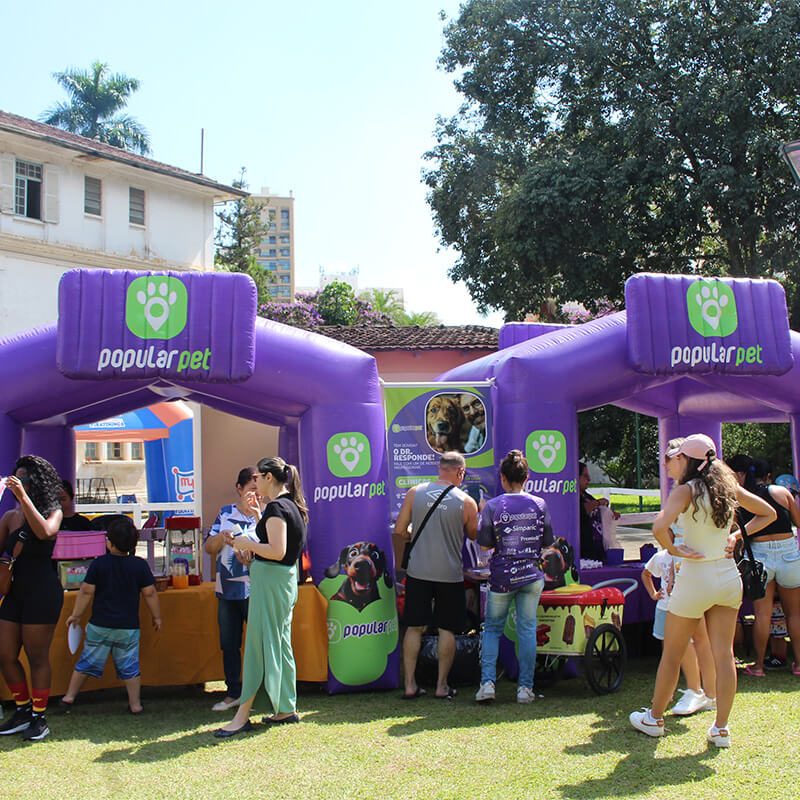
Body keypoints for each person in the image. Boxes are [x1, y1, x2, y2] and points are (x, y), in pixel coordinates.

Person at [629, 434, 776, 748]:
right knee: (725, 655)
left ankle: (654, 718)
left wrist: (675, 550)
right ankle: (721, 728)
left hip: (695, 579)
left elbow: (658, 527)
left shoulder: (686, 490)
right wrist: (737, 536)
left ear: (689, 460)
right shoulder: (727, 488)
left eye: (679, 456)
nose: (675, 460)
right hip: (727, 579)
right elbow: (769, 513)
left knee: (672, 653)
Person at [214, 457, 308, 738]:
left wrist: (246, 543)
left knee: (257, 647)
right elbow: (282, 546)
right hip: (280, 581)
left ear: (268, 477)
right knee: (279, 644)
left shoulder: (279, 507)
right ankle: (284, 708)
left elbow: (277, 550)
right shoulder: (289, 505)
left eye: (258, 478)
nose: (254, 484)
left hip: (272, 583)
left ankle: (243, 715)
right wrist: (257, 519)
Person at [394, 451, 478, 700]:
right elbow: (474, 535)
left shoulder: (414, 492)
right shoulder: (466, 501)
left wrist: (413, 533)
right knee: (447, 629)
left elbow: (399, 530)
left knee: (414, 627)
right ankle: (441, 686)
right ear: (460, 473)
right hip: (449, 574)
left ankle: (409, 684)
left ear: (440, 468)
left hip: (418, 571)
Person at [474, 449, 552, 704]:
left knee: (493, 628)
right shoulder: (539, 504)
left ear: (502, 478)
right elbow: (548, 541)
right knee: (527, 629)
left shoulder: (494, 506)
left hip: (502, 577)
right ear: (527, 476)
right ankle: (525, 689)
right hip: (531, 574)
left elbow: (484, 545)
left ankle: (487, 684)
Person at [60, 517, 161, 713]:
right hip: (128, 628)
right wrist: (157, 616)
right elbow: (150, 593)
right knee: (130, 667)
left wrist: (76, 615)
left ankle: (69, 697)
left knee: (86, 662)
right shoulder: (139, 565)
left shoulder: (99, 564)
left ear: (109, 542)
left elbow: (86, 591)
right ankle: (135, 704)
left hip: (100, 625)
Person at [0, 455, 64, 742]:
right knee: (5, 655)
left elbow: (44, 532)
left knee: (37, 657)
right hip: (15, 592)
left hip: (42, 592)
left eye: (25, 476)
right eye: (17, 476)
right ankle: (22, 709)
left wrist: (23, 496)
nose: (19, 480)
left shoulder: (54, 510)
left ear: (36, 482)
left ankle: (39, 717)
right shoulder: (9, 517)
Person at [735, 458, 800, 678]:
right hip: (788, 552)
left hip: (759, 555)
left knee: (761, 614)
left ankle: (759, 665)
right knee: (795, 614)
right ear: (768, 475)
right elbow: (798, 522)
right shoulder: (782, 492)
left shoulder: (742, 497)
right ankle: (799, 664)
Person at [204, 467, 262, 711]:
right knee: (229, 642)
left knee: (260, 641)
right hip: (227, 588)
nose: (254, 497)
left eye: (258, 492)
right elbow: (209, 547)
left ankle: (265, 689)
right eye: (250, 490)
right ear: (239, 489)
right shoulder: (225, 513)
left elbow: (275, 546)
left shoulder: (268, 514)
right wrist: (223, 538)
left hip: (258, 587)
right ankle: (233, 692)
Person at [578, 461, 619, 561]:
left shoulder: (586, 495)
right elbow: (581, 509)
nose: (589, 479)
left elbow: (598, 509)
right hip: (583, 548)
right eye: (585, 476)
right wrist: (598, 502)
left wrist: (610, 513)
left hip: (597, 548)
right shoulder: (572, 496)